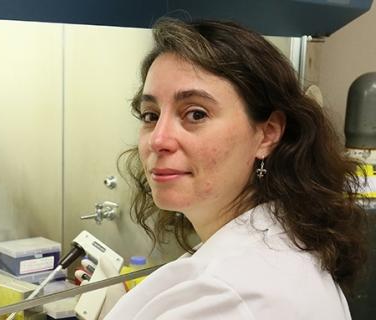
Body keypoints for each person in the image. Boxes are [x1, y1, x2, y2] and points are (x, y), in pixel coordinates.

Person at [105, 18, 368, 319]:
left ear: (267, 133)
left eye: (195, 113)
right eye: (150, 115)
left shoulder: (228, 297)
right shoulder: (278, 246)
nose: (158, 139)